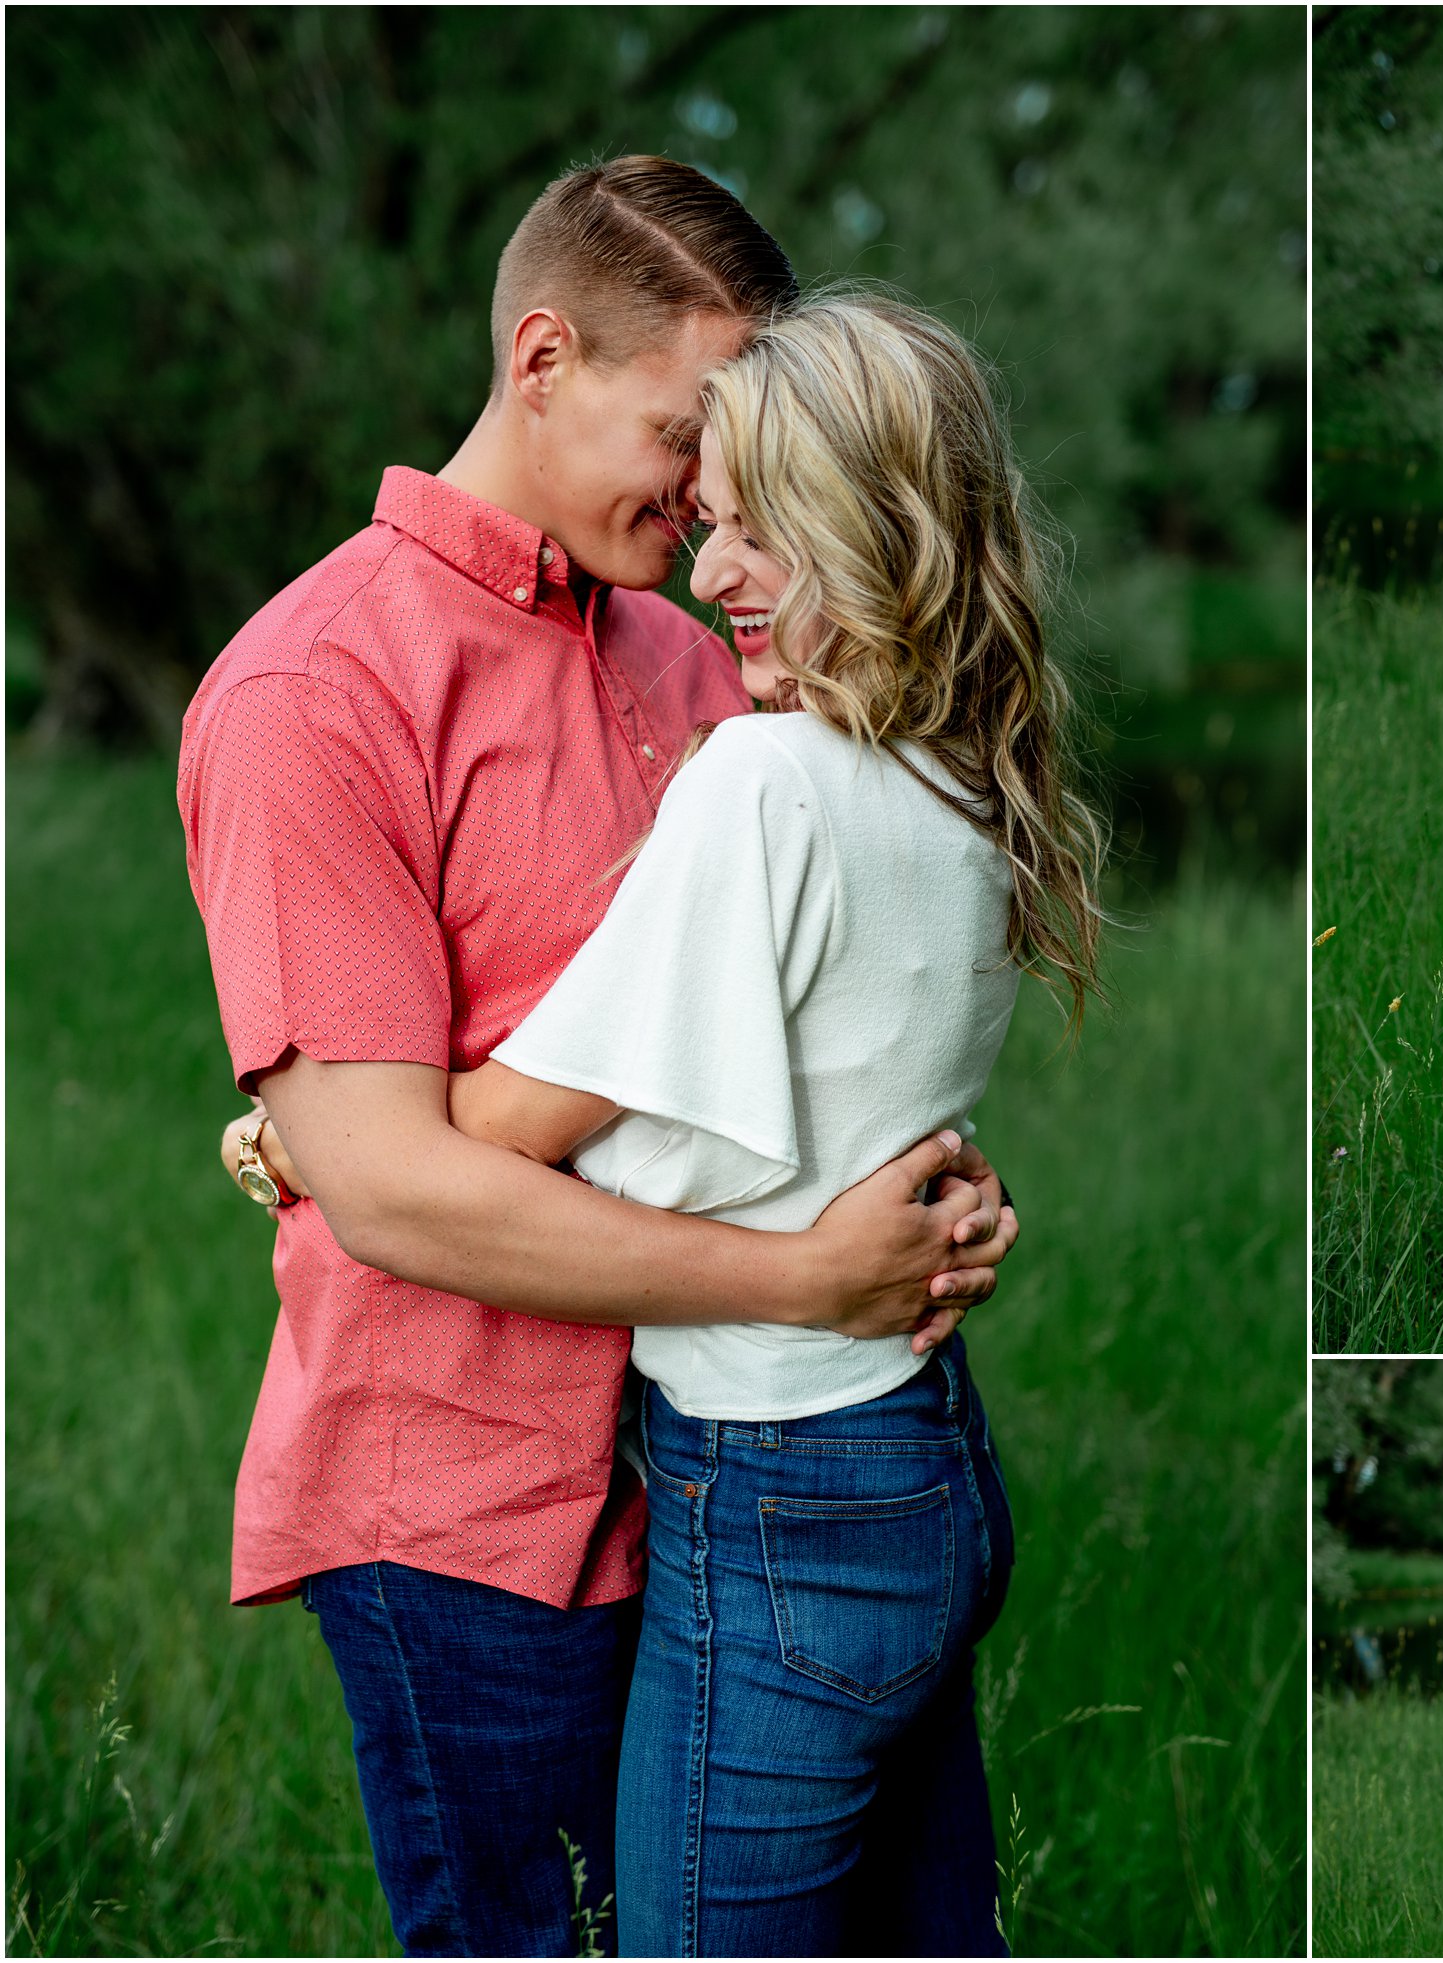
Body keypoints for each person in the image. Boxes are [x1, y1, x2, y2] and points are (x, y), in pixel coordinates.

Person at [181, 159, 1019, 1957]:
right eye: (687, 426)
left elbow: (809, 993)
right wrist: (814, 1277)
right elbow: (397, 1185)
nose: (714, 487)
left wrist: (918, 1181)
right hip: (478, 1518)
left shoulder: (706, 651)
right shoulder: (310, 694)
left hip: (749, 1473)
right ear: (543, 353)